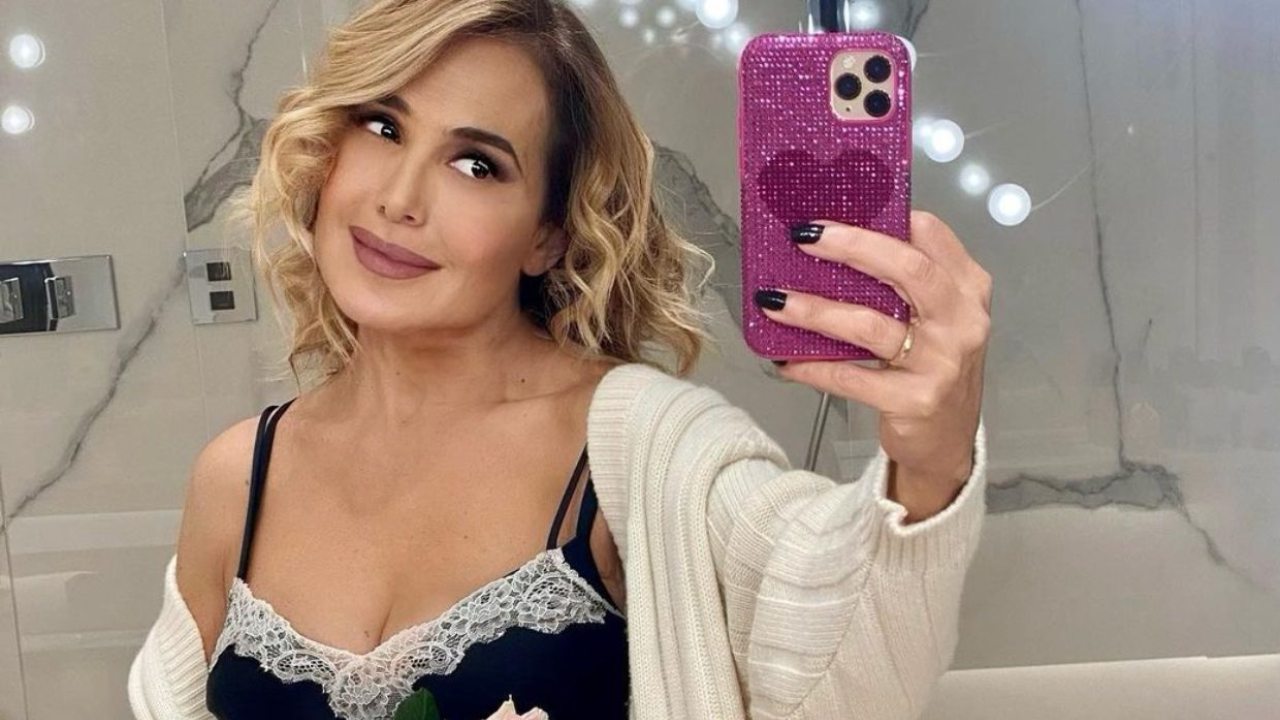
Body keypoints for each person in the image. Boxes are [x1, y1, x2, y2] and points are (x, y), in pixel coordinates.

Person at [127, 1, 993, 719]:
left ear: (546, 233)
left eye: (476, 164)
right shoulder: (239, 475)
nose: (398, 199)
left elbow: (837, 662)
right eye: (383, 126)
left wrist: (932, 459)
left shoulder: (644, 449)